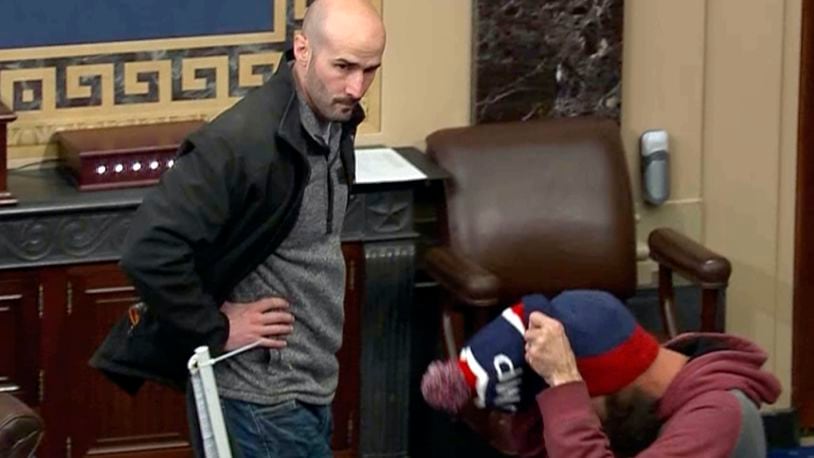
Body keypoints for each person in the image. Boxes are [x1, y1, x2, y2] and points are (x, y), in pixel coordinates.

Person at [89, 1, 386, 456]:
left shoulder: (336, 121)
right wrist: (214, 327)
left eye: (369, 70)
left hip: (310, 385)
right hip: (256, 398)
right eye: (343, 66)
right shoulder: (241, 142)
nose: (355, 87)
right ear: (301, 48)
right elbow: (147, 250)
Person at [420, 290, 781, 457]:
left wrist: (565, 387)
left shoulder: (718, 417)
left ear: (611, 387)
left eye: (581, 407)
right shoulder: (642, 407)